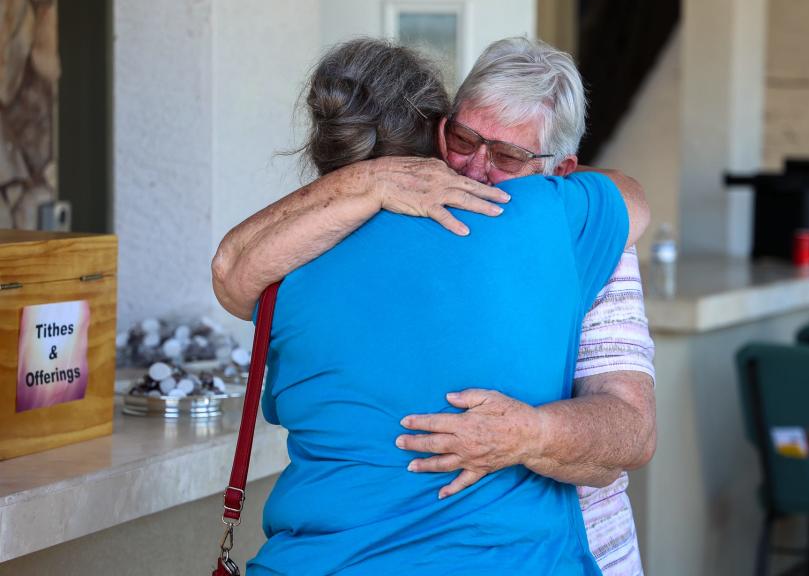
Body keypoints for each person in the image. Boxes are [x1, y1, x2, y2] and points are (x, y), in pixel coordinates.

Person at [214, 37, 656, 575]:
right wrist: (373, 183)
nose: (474, 171)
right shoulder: (551, 221)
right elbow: (634, 199)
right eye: (464, 139)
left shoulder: (286, 262)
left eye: (509, 159)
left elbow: (633, 427)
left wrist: (530, 433)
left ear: (563, 172)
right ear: (435, 130)